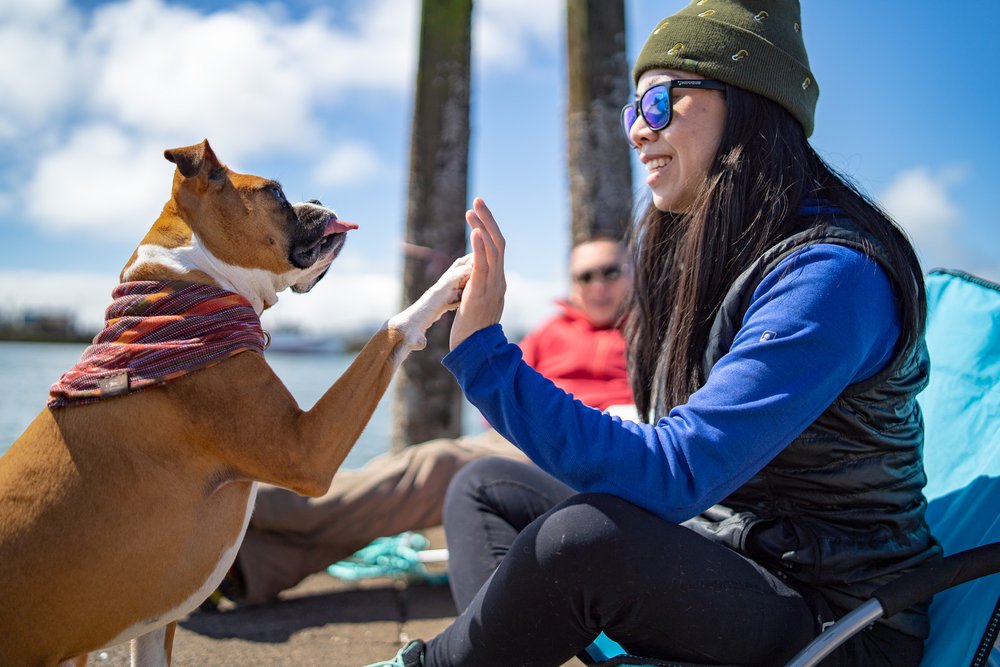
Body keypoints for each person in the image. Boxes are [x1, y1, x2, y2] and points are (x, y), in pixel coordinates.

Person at [365, 1, 941, 666]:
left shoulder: (832, 276)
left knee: (579, 541)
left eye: (660, 102)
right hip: (734, 552)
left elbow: (675, 473)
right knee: (484, 486)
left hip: (838, 616)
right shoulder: (729, 255)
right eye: (632, 111)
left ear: (748, 102)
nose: (638, 131)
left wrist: (486, 358)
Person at [213, 237, 634, 607]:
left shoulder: (649, 330)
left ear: (630, 275)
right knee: (426, 474)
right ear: (573, 285)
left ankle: (249, 502)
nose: (597, 285)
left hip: (596, 447)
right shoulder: (549, 332)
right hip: (524, 437)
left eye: (609, 273)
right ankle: (249, 568)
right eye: (585, 277)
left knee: (439, 465)